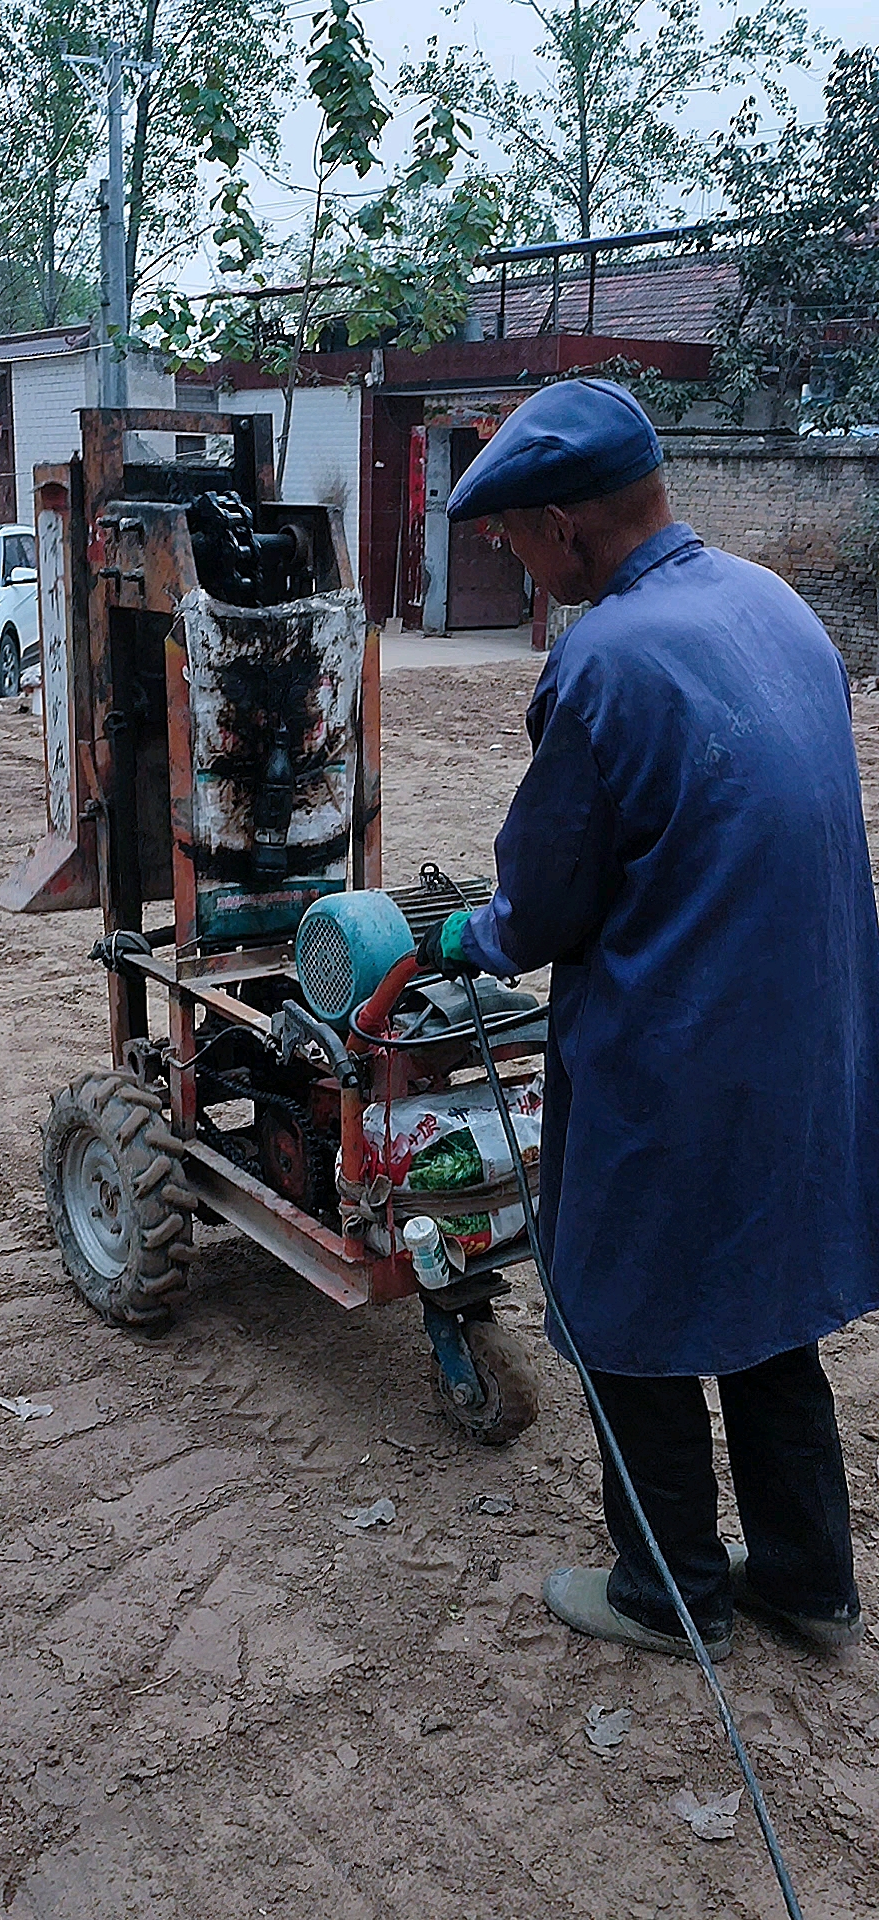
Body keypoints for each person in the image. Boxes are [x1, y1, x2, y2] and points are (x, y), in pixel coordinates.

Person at [418, 377, 879, 1659]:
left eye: (512, 540)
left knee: (629, 1304)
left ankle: (666, 1593)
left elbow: (549, 898)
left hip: (683, 1043)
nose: (514, 564)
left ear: (563, 524)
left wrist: (470, 935)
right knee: (766, 1296)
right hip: (808, 1036)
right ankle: (806, 1575)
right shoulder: (772, 604)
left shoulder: (606, 657)